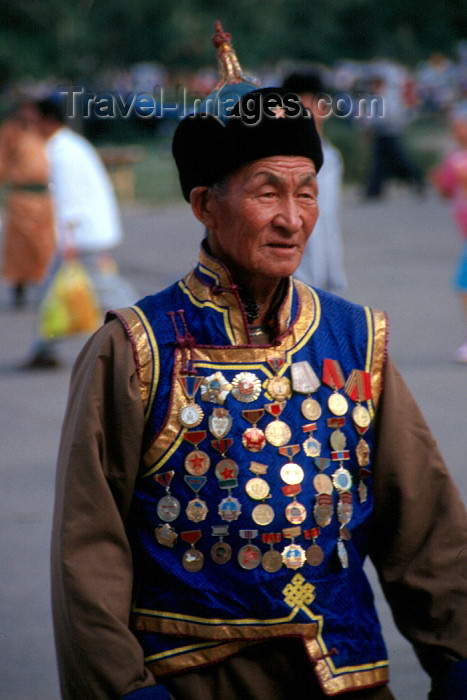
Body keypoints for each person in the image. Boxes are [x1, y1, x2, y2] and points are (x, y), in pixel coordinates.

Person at [51, 25, 467, 700]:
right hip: (192, 681)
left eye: (304, 193)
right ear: (204, 205)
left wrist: (457, 658)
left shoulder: (354, 336)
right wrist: (121, 688)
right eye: (266, 191)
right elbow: (87, 549)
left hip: (345, 678)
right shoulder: (133, 348)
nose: (292, 218)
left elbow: (423, 526)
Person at [23, 96, 137, 369]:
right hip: (85, 234)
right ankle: (43, 348)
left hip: (81, 237)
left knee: (111, 293)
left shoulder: (62, 152)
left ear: (48, 120)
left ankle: (155, 328)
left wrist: (68, 240)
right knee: (57, 290)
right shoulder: (68, 145)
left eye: (34, 119)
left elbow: (69, 199)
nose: (31, 125)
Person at [282, 71, 347, 293]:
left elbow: (328, 223)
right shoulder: (283, 160)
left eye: (314, 102)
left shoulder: (331, 157)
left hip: (327, 279)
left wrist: (335, 277)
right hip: (293, 278)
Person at [0, 100, 55, 307]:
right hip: (20, 199)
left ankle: (47, 290)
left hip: (44, 198)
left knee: (45, 247)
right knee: (18, 250)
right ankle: (19, 289)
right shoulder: (11, 132)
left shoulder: (44, 131)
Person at [431, 102, 467, 362]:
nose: (457, 131)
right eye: (454, 126)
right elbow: (445, 192)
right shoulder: (454, 158)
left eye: (461, 125)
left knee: (463, 285)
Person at [362, 75, 425, 199]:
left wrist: (372, 123)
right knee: (378, 164)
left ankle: (418, 180)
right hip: (380, 135)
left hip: (391, 134)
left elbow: (391, 116)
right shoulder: (374, 99)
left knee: (401, 160)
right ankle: (373, 190)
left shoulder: (390, 98)